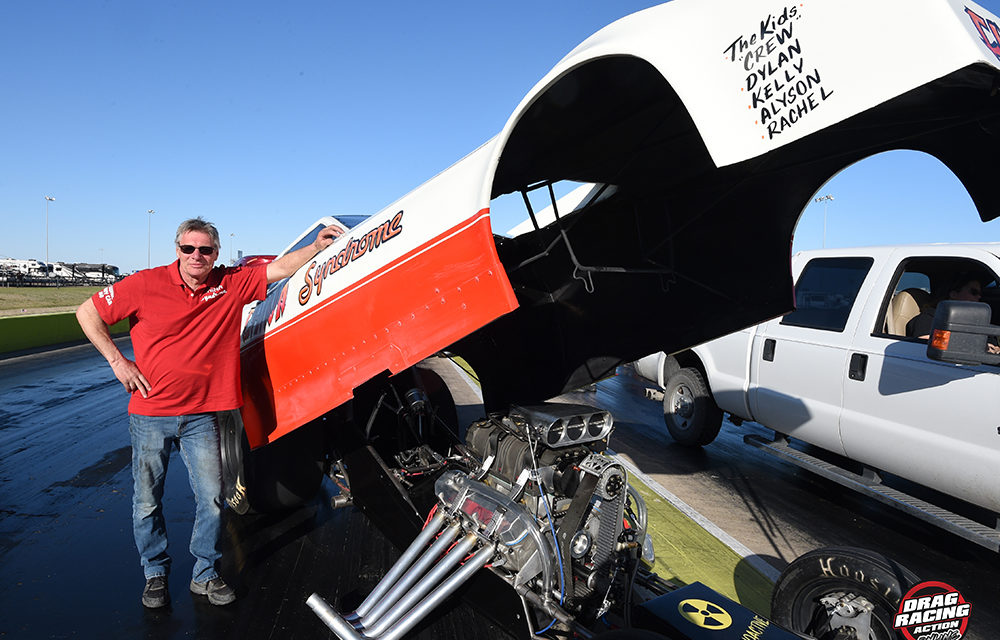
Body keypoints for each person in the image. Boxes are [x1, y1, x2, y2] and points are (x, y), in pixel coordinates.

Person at [76, 217, 343, 609]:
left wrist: (318, 248)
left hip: (204, 415)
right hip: (151, 413)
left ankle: (204, 572)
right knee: (147, 500)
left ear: (216, 254)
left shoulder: (230, 282)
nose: (196, 256)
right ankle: (155, 572)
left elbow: (281, 268)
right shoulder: (144, 283)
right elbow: (87, 313)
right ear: (178, 249)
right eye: (189, 248)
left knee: (212, 498)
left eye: (205, 250)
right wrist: (118, 362)